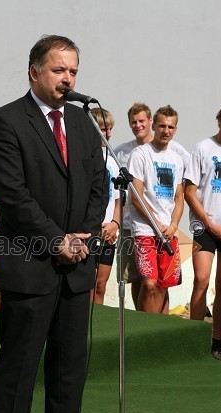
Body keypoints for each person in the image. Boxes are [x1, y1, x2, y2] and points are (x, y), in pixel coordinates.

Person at [0, 35, 107, 413]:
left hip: (77, 262)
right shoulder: (4, 122)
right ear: (34, 71)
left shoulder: (82, 121)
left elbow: (99, 183)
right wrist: (57, 240)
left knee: (70, 359)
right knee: (19, 362)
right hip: (30, 262)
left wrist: (85, 237)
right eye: (59, 70)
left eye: (73, 71)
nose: (67, 79)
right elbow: (13, 197)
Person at [114, 103, 190, 310]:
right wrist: (157, 224)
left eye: (171, 127)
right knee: (148, 283)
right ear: (154, 126)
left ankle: (159, 332)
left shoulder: (176, 158)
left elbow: (179, 198)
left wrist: (174, 225)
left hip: (168, 231)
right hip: (144, 230)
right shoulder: (140, 154)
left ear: (175, 129)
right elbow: (136, 197)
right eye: (162, 126)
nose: (166, 131)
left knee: (164, 285)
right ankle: (143, 329)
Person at [184, 104, 221, 361]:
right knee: (201, 278)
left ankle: (216, 342)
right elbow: (189, 191)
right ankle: (193, 339)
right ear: (220, 120)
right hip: (204, 225)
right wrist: (209, 224)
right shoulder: (202, 148)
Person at [90, 107, 120, 304]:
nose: (107, 134)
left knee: (101, 284)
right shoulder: (86, 158)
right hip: (90, 231)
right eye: (102, 129)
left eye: (109, 129)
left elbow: (118, 199)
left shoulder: (113, 160)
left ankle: (97, 331)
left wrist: (115, 224)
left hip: (109, 232)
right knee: (88, 285)